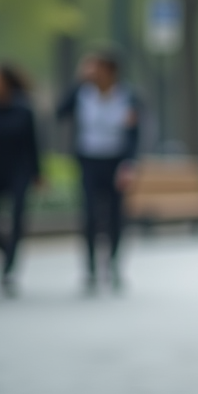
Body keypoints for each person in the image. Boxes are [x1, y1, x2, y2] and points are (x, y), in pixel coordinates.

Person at [56, 51, 140, 292]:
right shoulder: (82, 93)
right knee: (90, 214)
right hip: (89, 160)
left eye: (97, 68)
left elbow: (135, 133)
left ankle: (113, 264)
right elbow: (59, 112)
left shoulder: (127, 96)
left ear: (111, 71)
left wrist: (130, 164)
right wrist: (78, 82)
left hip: (116, 161)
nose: (93, 73)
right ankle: (90, 267)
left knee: (115, 215)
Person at [0, 63, 42, 297]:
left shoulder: (24, 109)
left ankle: (9, 266)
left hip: (19, 171)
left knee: (17, 217)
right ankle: (7, 250)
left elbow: (33, 143)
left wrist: (38, 173)